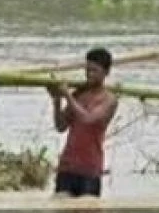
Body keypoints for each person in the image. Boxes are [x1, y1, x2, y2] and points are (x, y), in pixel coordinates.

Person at [48, 47, 118, 197]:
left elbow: (89, 119)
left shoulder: (109, 99)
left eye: (94, 71)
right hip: (67, 166)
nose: (89, 74)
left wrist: (67, 94)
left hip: (90, 169)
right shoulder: (79, 94)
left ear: (106, 73)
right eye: (87, 70)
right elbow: (60, 126)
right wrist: (56, 100)